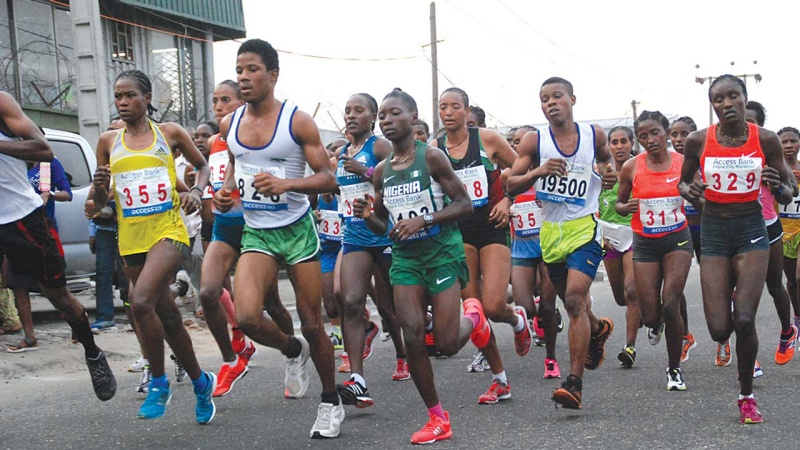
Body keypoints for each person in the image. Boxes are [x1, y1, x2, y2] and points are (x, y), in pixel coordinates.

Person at [213, 39, 343, 438]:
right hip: (257, 232)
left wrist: (287, 183)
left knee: (312, 322)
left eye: (252, 69)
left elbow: (329, 180)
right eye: (239, 70)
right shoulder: (229, 124)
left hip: (297, 231)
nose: (244, 78)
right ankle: (292, 350)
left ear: (272, 75)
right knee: (249, 316)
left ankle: (330, 401)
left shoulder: (296, 121)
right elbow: (236, 166)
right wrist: (226, 190)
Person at [352, 88, 487, 444]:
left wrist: (425, 221)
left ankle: (473, 317)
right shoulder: (381, 172)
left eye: (394, 113)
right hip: (406, 260)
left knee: (444, 343)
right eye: (382, 115)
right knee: (412, 334)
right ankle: (437, 417)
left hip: (442, 253)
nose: (386, 120)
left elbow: (465, 204)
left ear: (412, 119)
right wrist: (368, 218)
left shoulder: (433, 159)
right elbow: (384, 225)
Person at [91, 69, 216, 422]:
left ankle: (159, 383)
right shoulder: (107, 142)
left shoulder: (170, 133)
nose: (123, 102)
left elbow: (202, 166)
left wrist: (195, 190)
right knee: (169, 318)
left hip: (169, 230)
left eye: (130, 95)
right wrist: (100, 186)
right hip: (130, 238)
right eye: (118, 96)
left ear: (147, 98)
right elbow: (99, 200)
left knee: (140, 301)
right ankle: (200, 381)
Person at [679, 74, 796, 424]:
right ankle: (728, 302)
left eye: (733, 96)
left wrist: (779, 187)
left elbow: (789, 188)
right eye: (718, 99)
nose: (726, 104)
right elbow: (684, 182)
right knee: (718, 328)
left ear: (745, 98)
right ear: (712, 105)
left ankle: (746, 396)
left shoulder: (766, 139)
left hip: (751, 229)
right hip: (713, 230)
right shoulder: (699, 141)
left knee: (744, 318)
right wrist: (690, 191)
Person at [507, 77, 614, 410]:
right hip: (550, 231)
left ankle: (574, 383)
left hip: (585, 226)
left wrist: (608, 172)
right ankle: (597, 329)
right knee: (576, 306)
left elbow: (607, 161)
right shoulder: (533, 141)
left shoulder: (593, 133)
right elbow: (511, 181)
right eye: (544, 99)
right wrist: (538, 172)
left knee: (572, 298)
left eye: (557, 96)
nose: (550, 102)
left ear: (572, 99)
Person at [0, 89, 116, 400]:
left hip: (23, 219)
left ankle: (92, 353)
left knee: (58, 296)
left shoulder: (2, 102)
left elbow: (43, 149)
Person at [437, 87, 525, 404]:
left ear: (466, 110)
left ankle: (517, 320)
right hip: (458, 234)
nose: (448, 112)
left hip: (492, 227)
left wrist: (507, 198)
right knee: (474, 311)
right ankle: (500, 379)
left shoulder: (487, 140)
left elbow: (522, 169)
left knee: (492, 305)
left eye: (454, 106)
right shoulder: (435, 149)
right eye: (442, 107)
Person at [334, 92, 408, 408]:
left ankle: (405, 354)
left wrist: (362, 171)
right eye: (348, 110)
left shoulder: (377, 147)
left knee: (392, 306)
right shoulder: (339, 152)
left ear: (372, 117)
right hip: (354, 235)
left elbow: (398, 175)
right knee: (349, 301)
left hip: (385, 233)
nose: (351, 115)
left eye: (359, 110)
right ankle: (358, 381)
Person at [193, 80, 263, 398]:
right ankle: (231, 359)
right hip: (224, 226)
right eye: (215, 101)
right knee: (209, 291)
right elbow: (216, 185)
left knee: (269, 303)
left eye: (226, 100)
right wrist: (215, 203)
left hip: (256, 227)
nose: (218, 106)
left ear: (242, 103)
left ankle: (294, 355)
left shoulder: (256, 137)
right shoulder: (214, 144)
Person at [616, 111, 695, 390]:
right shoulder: (632, 167)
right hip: (646, 242)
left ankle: (674, 369)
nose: (650, 140)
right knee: (650, 315)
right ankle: (658, 322)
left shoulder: (684, 163)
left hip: (678, 240)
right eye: (644, 136)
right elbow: (619, 203)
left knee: (671, 301)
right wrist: (625, 209)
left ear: (665, 132)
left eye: (655, 133)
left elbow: (700, 193)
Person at [744, 101, 797, 367]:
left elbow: (792, 191)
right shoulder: (720, 153)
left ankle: (787, 331)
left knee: (775, 285)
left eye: (751, 121)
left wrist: (777, 185)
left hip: (768, 226)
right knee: (740, 293)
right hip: (735, 229)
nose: (744, 126)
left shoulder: (768, 149)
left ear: (760, 126)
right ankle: (748, 354)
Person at [6, 156, 73, 352]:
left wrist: (49, 195)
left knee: (52, 285)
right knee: (18, 283)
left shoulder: (45, 165)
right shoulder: (14, 163)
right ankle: (29, 337)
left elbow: (65, 193)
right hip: (15, 230)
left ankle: (76, 323)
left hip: (41, 228)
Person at [598, 126, 640, 367]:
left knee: (631, 291)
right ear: (609, 146)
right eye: (614, 142)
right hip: (608, 236)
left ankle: (630, 347)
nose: (619, 146)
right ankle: (646, 310)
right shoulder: (601, 172)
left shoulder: (638, 168)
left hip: (634, 234)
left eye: (624, 141)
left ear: (631, 143)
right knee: (621, 298)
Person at [668, 116, 699, 364]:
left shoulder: (706, 158)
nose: (679, 140)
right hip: (680, 231)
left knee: (721, 290)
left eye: (684, 134)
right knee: (674, 289)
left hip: (707, 229)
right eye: (674, 134)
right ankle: (684, 334)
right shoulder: (668, 163)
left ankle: (726, 340)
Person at [778, 126, 800, 341]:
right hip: (783, 232)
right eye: (783, 142)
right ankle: (797, 317)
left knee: (799, 276)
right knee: (792, 281)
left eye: (792, 141)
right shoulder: (775, 170)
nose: (788, 146)